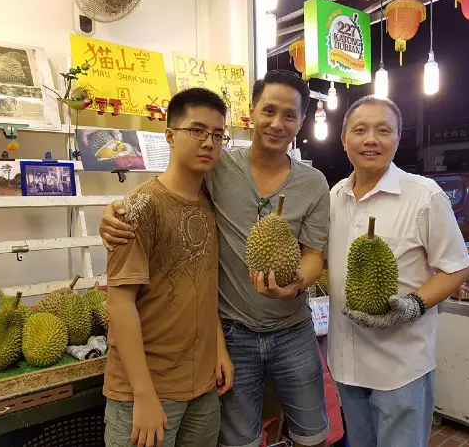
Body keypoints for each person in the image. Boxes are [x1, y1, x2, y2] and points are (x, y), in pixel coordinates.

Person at [99, 70, 331, 447]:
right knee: (240, 439)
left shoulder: (313, 183)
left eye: (289, 115)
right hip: (234, 331)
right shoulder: (219, 167)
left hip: (290, 330)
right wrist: (116, 212)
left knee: (313, 433)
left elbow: (314, 254)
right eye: (268, 110)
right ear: (252, 112)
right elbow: (168, 187)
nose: (277, 123)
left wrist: (296, 283)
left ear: (301, 122)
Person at [326, 95, 469, 447]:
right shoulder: (334, 196)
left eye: (383, 130)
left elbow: (457, 269)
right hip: (345, 362)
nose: (370, 139)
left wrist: (414, 304)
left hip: (400, 366)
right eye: (359, 130)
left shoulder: (424, 196)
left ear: (398, 139)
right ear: (344, 139)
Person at [103, 87, 234, 447]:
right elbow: (120, 303)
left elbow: (203, 288)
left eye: (217, 135)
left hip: (202, 388)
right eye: (197, 130)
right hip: (145, 392)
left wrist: (218, 349)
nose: (208, 142)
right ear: (170, 136)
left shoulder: (210, 205)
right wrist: (143, 394)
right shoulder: (140, 208)